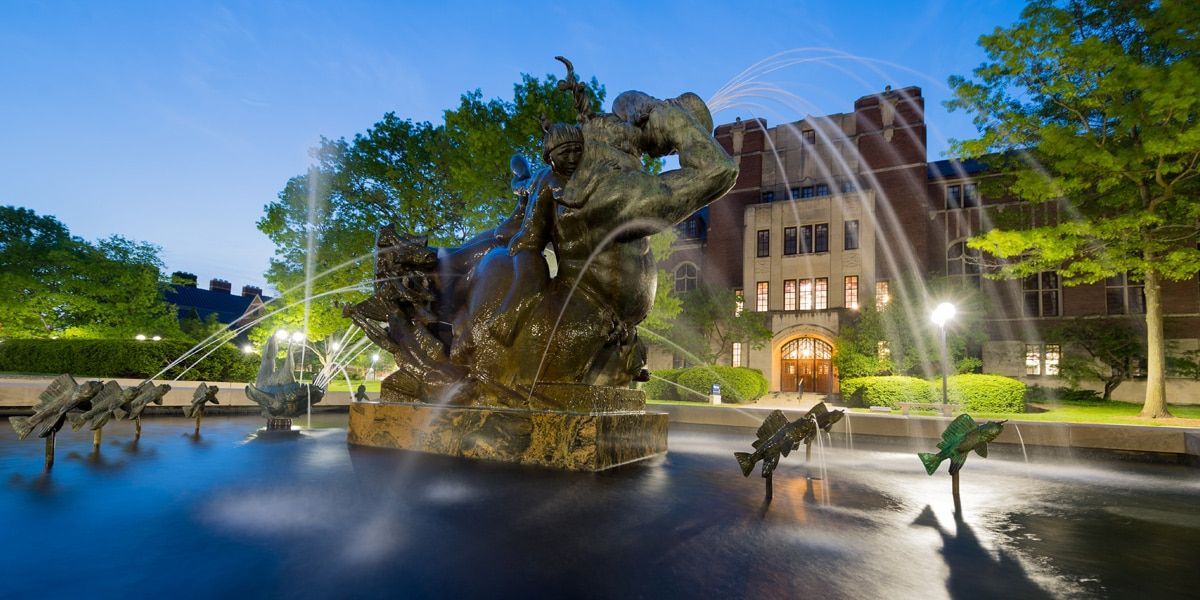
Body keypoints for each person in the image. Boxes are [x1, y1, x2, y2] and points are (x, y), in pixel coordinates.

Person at [488, 121, 583, 345]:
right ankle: (507, 317)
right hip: (533, 241)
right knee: (531, 275)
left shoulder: (588, 177)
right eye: (564, 152)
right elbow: (533, 233)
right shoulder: (547, 182)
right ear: (550, 157)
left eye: (577, 151)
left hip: (580, 258)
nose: (572, 158)